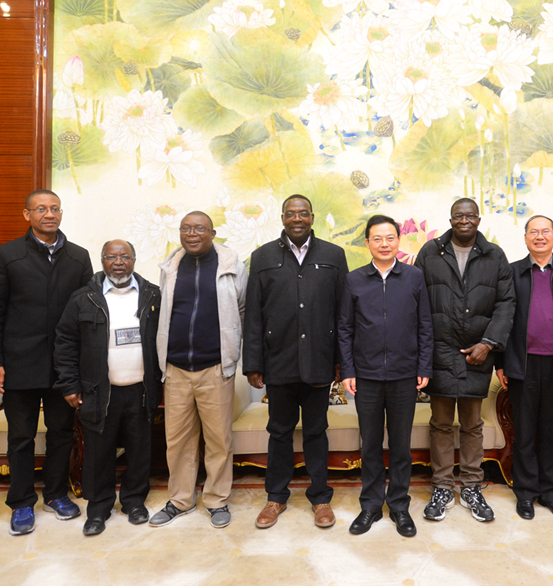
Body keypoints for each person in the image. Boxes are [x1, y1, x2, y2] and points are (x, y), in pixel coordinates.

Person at [0, 190, 93, 535]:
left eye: (54, 208)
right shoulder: (6, 255)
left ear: (61, 213)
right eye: (41, 209)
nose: (49, 214)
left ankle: (56, 494)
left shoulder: (78, 257)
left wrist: (84, 365)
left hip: (64, 365)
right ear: (26, 214)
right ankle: (21, 502)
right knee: (21, 436)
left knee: (61, 433)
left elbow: (87, 313)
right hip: (19, 363)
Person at [243, 194, 349, 529]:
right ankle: (275, 497)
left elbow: (343, 313)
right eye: (291, 214)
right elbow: (254, 315)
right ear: (283, 218)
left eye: (303, 213)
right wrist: (253, 363)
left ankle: (320, 499)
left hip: (319, 361)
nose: (297, 219)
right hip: (279, 362)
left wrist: (341, 362)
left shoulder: (333, 255)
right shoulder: (262, 257)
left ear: (312, 217)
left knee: (317, 432)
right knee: (279, 433)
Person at [415, 198, 515, 523]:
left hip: (478, 353)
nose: (464, 220)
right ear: (451, 219)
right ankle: (442, 487)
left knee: (472, 425)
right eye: (458, 215)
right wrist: (423, 351)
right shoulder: (430, 252)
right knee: (441, 424)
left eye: (470, 215)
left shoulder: (495, 255)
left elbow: (506, 304)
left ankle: (472, 486)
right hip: (439, 352)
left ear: (478, 219)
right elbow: (416, 301)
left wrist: (488, 344)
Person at [54, 239, 161, 536]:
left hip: (141, 390)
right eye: (112, 257)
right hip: (99, 391)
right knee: (98, 453)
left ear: (134, 260)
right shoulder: (83, 298)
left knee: (139, 450)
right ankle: (98, 508)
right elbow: (65, 342)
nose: (118, 262)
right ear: (102, 261)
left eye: (125, 256)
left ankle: (134, 502)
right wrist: (69, 385)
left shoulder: (153, 295)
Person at [149, 212, 247, 530]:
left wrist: (232, 350)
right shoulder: (171, 265)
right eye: (186, 229)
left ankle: (217, 500)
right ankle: (181, 500)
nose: (192, 234)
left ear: (212, 233)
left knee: (218, 440)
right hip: (176, 367)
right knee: (177, 440)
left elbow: (242, 308)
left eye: (199, 229)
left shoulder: (231, 265)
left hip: (215, 367)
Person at [339, 215, 433, 537]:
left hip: (404, 375)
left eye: (390, 238)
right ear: (367, 243)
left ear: (398, 240)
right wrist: (348, 370)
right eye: (377, 238)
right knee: (370, 444)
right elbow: (345, 329)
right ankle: (370, 505)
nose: (384, 244)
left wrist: (424, 367)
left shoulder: (414, 277)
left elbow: (425, 325)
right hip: (365, 376)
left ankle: (399, 506)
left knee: (401, 445)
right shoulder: (353, 280)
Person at [499, 214, 553, 521]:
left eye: (545, 231)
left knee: (552, 434)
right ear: (525, 238)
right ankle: (525, 493)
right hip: (521, 364)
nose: (540, 236)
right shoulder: (511, 272)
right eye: (533, 232)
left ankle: (552, 494)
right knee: (524, 432)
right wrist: (501, 363)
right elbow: (502, 320)